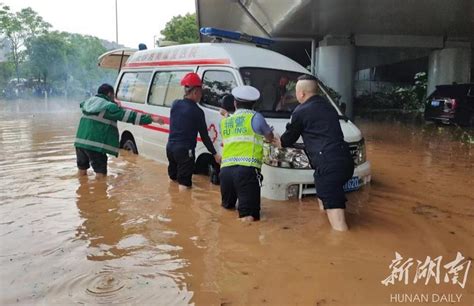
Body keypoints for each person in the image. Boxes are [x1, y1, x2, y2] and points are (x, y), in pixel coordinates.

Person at [276, 75, 354, 231]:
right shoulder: (329, 107)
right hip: (345, 160)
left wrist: (277, 140)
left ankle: (343, 249)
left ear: (302, 93)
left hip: (328, 163)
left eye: (296, 92)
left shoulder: (301, 111)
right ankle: (324, 226)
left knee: (337, 219)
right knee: (322, 189)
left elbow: (286, 140)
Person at [74, 83, 162, 178]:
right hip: (95, 145)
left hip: (79, 144)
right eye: (113, 95)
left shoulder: (89, 102)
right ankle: (99, 191)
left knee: (82, 172)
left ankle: (82, 191)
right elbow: (129, 116)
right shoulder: (108, 106)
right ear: (109, 94)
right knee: (101, 175)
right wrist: (151, 118)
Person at [219, 85, 275, 222]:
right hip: (247, 170)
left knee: (227, 209)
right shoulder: (256, 118)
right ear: (254, 104)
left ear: (235, 103)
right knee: (248, 217)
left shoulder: (225, 122)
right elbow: (270, 137)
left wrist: (226, 115)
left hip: (225, 171)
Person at [166, 72, 221, 190]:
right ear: (196, 92)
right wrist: (214, 153)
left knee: (174, 180)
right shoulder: (197, 111)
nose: (201, 96)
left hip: (170, 148)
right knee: (184, 186)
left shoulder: (175, 104)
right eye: (201, 92)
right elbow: (205, 136)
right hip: (185, 152)